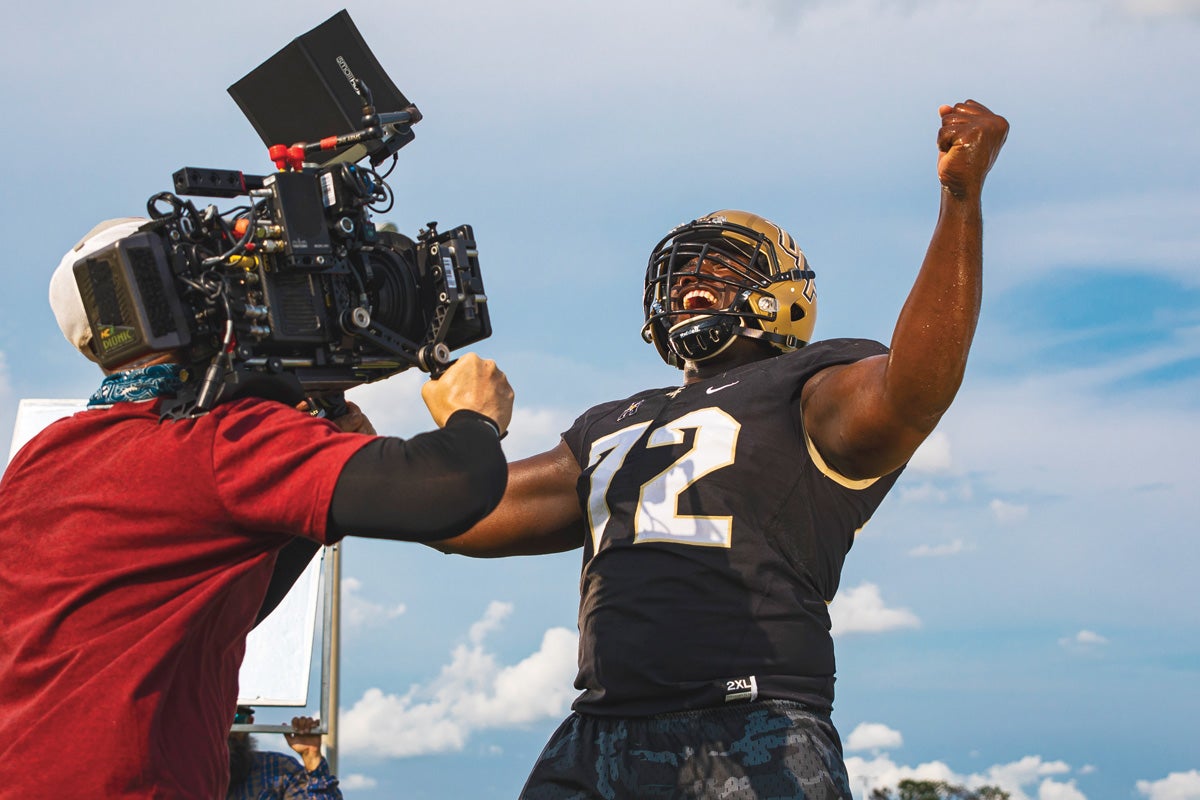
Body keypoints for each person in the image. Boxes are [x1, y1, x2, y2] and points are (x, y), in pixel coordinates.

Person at [429, 100, 1009, 799]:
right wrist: (402, 433)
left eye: (723, 266)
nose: (691, 281)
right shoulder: (612, 421)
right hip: (597, 731)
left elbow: (915, 389)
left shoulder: (805, 382)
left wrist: (959, 201)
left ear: (784, 294)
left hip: (749, 718)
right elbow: (459, 514)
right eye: (680, 275)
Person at [0, 217, 514, 799]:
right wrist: (475, 414)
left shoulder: (43, 457)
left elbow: (217, 604)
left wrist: (312, 497)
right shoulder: (218, 444)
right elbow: (454, 484)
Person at [228, 708, 341, 800]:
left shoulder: (278, 770)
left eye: (235, 718)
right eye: (212, 718)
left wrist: (311, 757)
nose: (225, 728)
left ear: (249, 722)